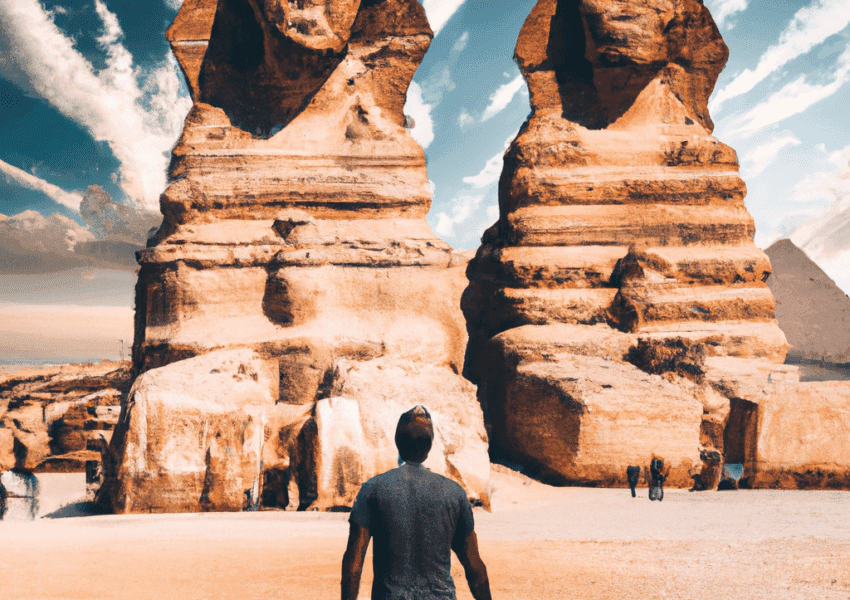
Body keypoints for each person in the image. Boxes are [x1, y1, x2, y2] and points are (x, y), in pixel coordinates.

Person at [341, 405, 492, 600]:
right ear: (429, 446)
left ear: (398, 442)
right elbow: (475, 567)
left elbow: (353, 566)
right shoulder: (454, 493)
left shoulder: (373, 489)